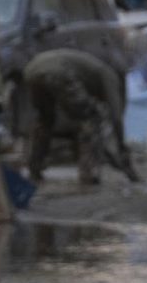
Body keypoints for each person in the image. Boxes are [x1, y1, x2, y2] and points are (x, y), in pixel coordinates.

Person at [20, 48, 139, 186]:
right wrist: (123, 151)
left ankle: (34, 168)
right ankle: (89, 173)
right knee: (90, 118)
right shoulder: (110, 77)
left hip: (32, 70)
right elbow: (116, 118)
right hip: (58, 71)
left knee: (45, 120)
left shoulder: (93, 69)